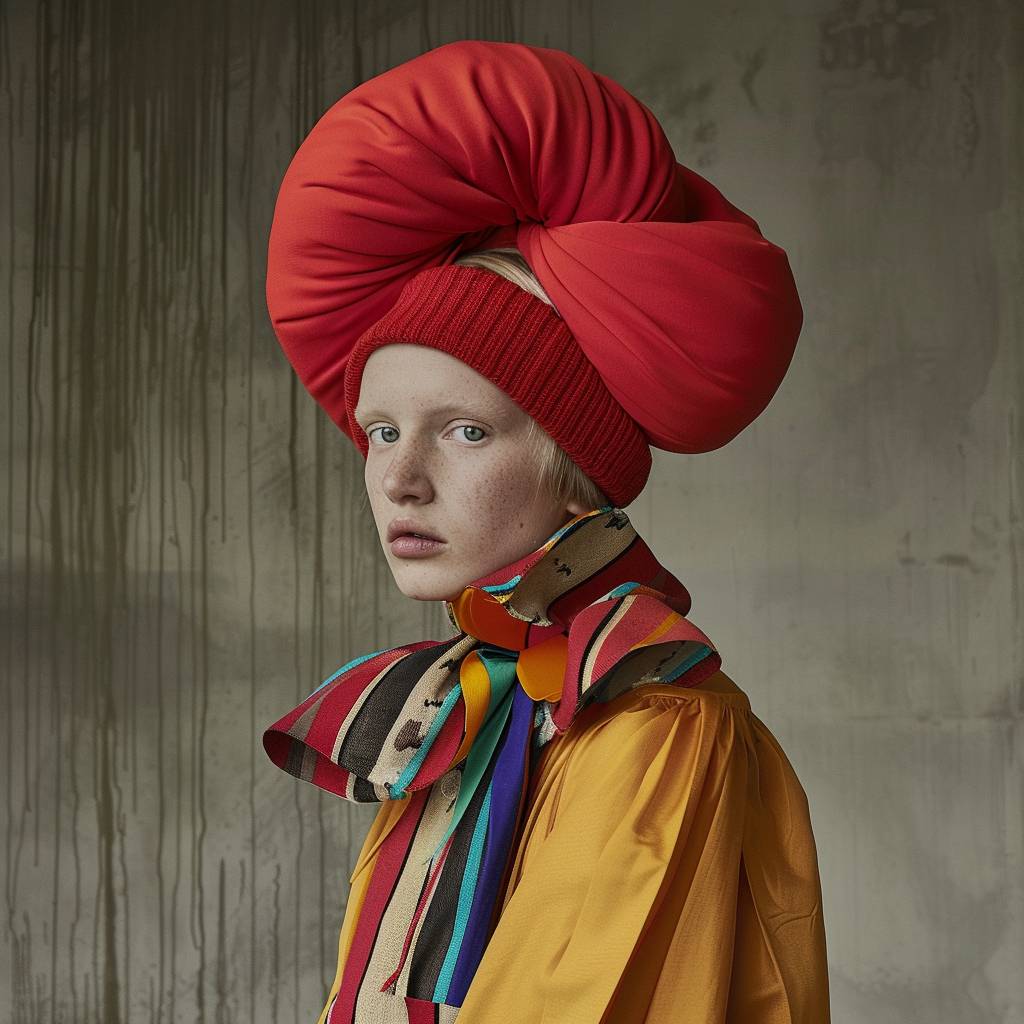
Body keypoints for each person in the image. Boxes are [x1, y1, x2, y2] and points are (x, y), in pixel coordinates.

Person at [261, 41, 830, 1023]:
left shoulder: (657, 730)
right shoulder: (471, 711)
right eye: (383, 430)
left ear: (575, 476)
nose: (397, 477)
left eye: (465, 431)